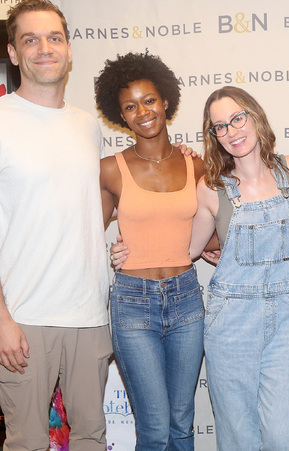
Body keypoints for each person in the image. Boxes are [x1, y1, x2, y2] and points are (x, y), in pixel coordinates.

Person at [0, 1, 113, 449]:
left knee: (91, 437)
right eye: (30, 39)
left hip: (90, 314)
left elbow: (89, 205)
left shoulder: (87, 125)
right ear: (13, 53)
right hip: (24, 318)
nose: (44, 49)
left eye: (54, 38)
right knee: (26, 441)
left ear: (68, 50)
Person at [189, 86, 289, 450]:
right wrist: (128, 244)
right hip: (231, 325)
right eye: (220, 127)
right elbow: (190, 248)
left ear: (255, 117)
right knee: (239, 435)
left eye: (237, 118)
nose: (232, 131)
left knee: (281, 435)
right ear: (213, 136)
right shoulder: (211, 188)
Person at [95, 51, 206, 450]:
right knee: (156, 428)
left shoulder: (196, 165)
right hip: (133, 302)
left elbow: (211, 231)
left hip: (186, 299)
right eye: (130, 106)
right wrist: (110, 251)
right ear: (120, 115)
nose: (142, 111)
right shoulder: (111, 168)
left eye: (149, 100)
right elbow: (89, 231)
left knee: (181, 423)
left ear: (165, 102)